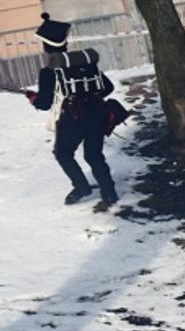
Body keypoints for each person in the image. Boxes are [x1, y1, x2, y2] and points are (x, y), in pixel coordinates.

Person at [26, 13, 119, 210]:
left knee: (63, 153)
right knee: (94, 155)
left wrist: (32, 98)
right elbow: (108, 87)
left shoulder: (49, 71)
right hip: (96, 114)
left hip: (73, 118)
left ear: (45, 46)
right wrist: (90, 97)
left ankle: (81, 187)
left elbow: (44, 103)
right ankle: (109, 191)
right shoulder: (85, 62)